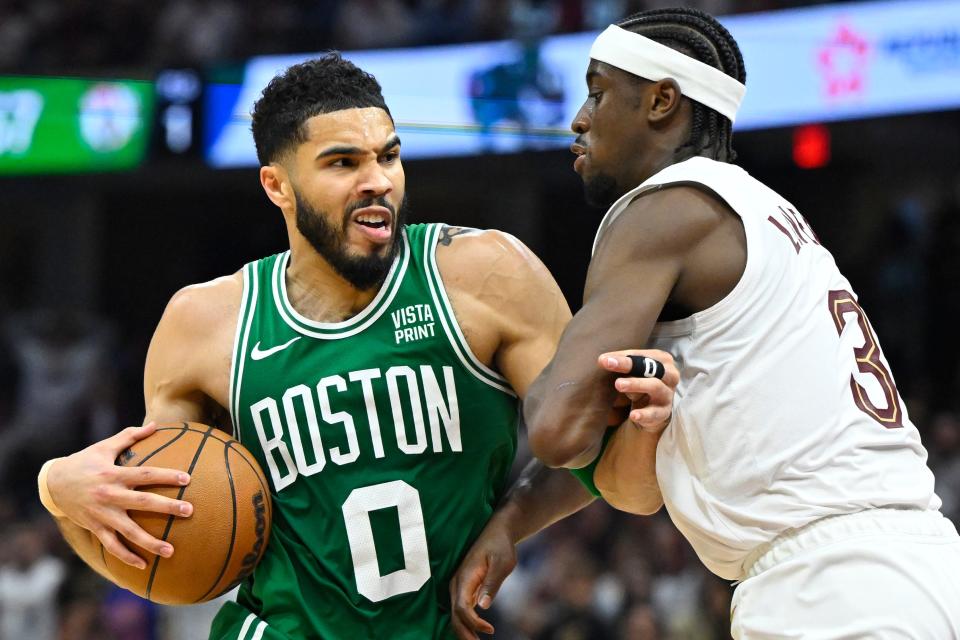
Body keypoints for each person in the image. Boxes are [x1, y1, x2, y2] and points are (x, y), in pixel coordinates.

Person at [35, 54, 678, 639]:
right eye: (344, 162)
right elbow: (166, 532)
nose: (378, 180)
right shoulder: (203, 323)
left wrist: (521, 515)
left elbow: (621, 485)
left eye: (389, 156)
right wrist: (59, 486)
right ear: (276, 186)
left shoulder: (487, 276)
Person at [452, 7, 960, 639]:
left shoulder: (663, 207)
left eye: (598, 93)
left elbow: (557, 428)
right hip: (914, 562)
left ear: (662, 102)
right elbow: (609, 468)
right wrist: (512, 522)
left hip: (830, 582)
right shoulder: (763, 210)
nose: (579, 119)